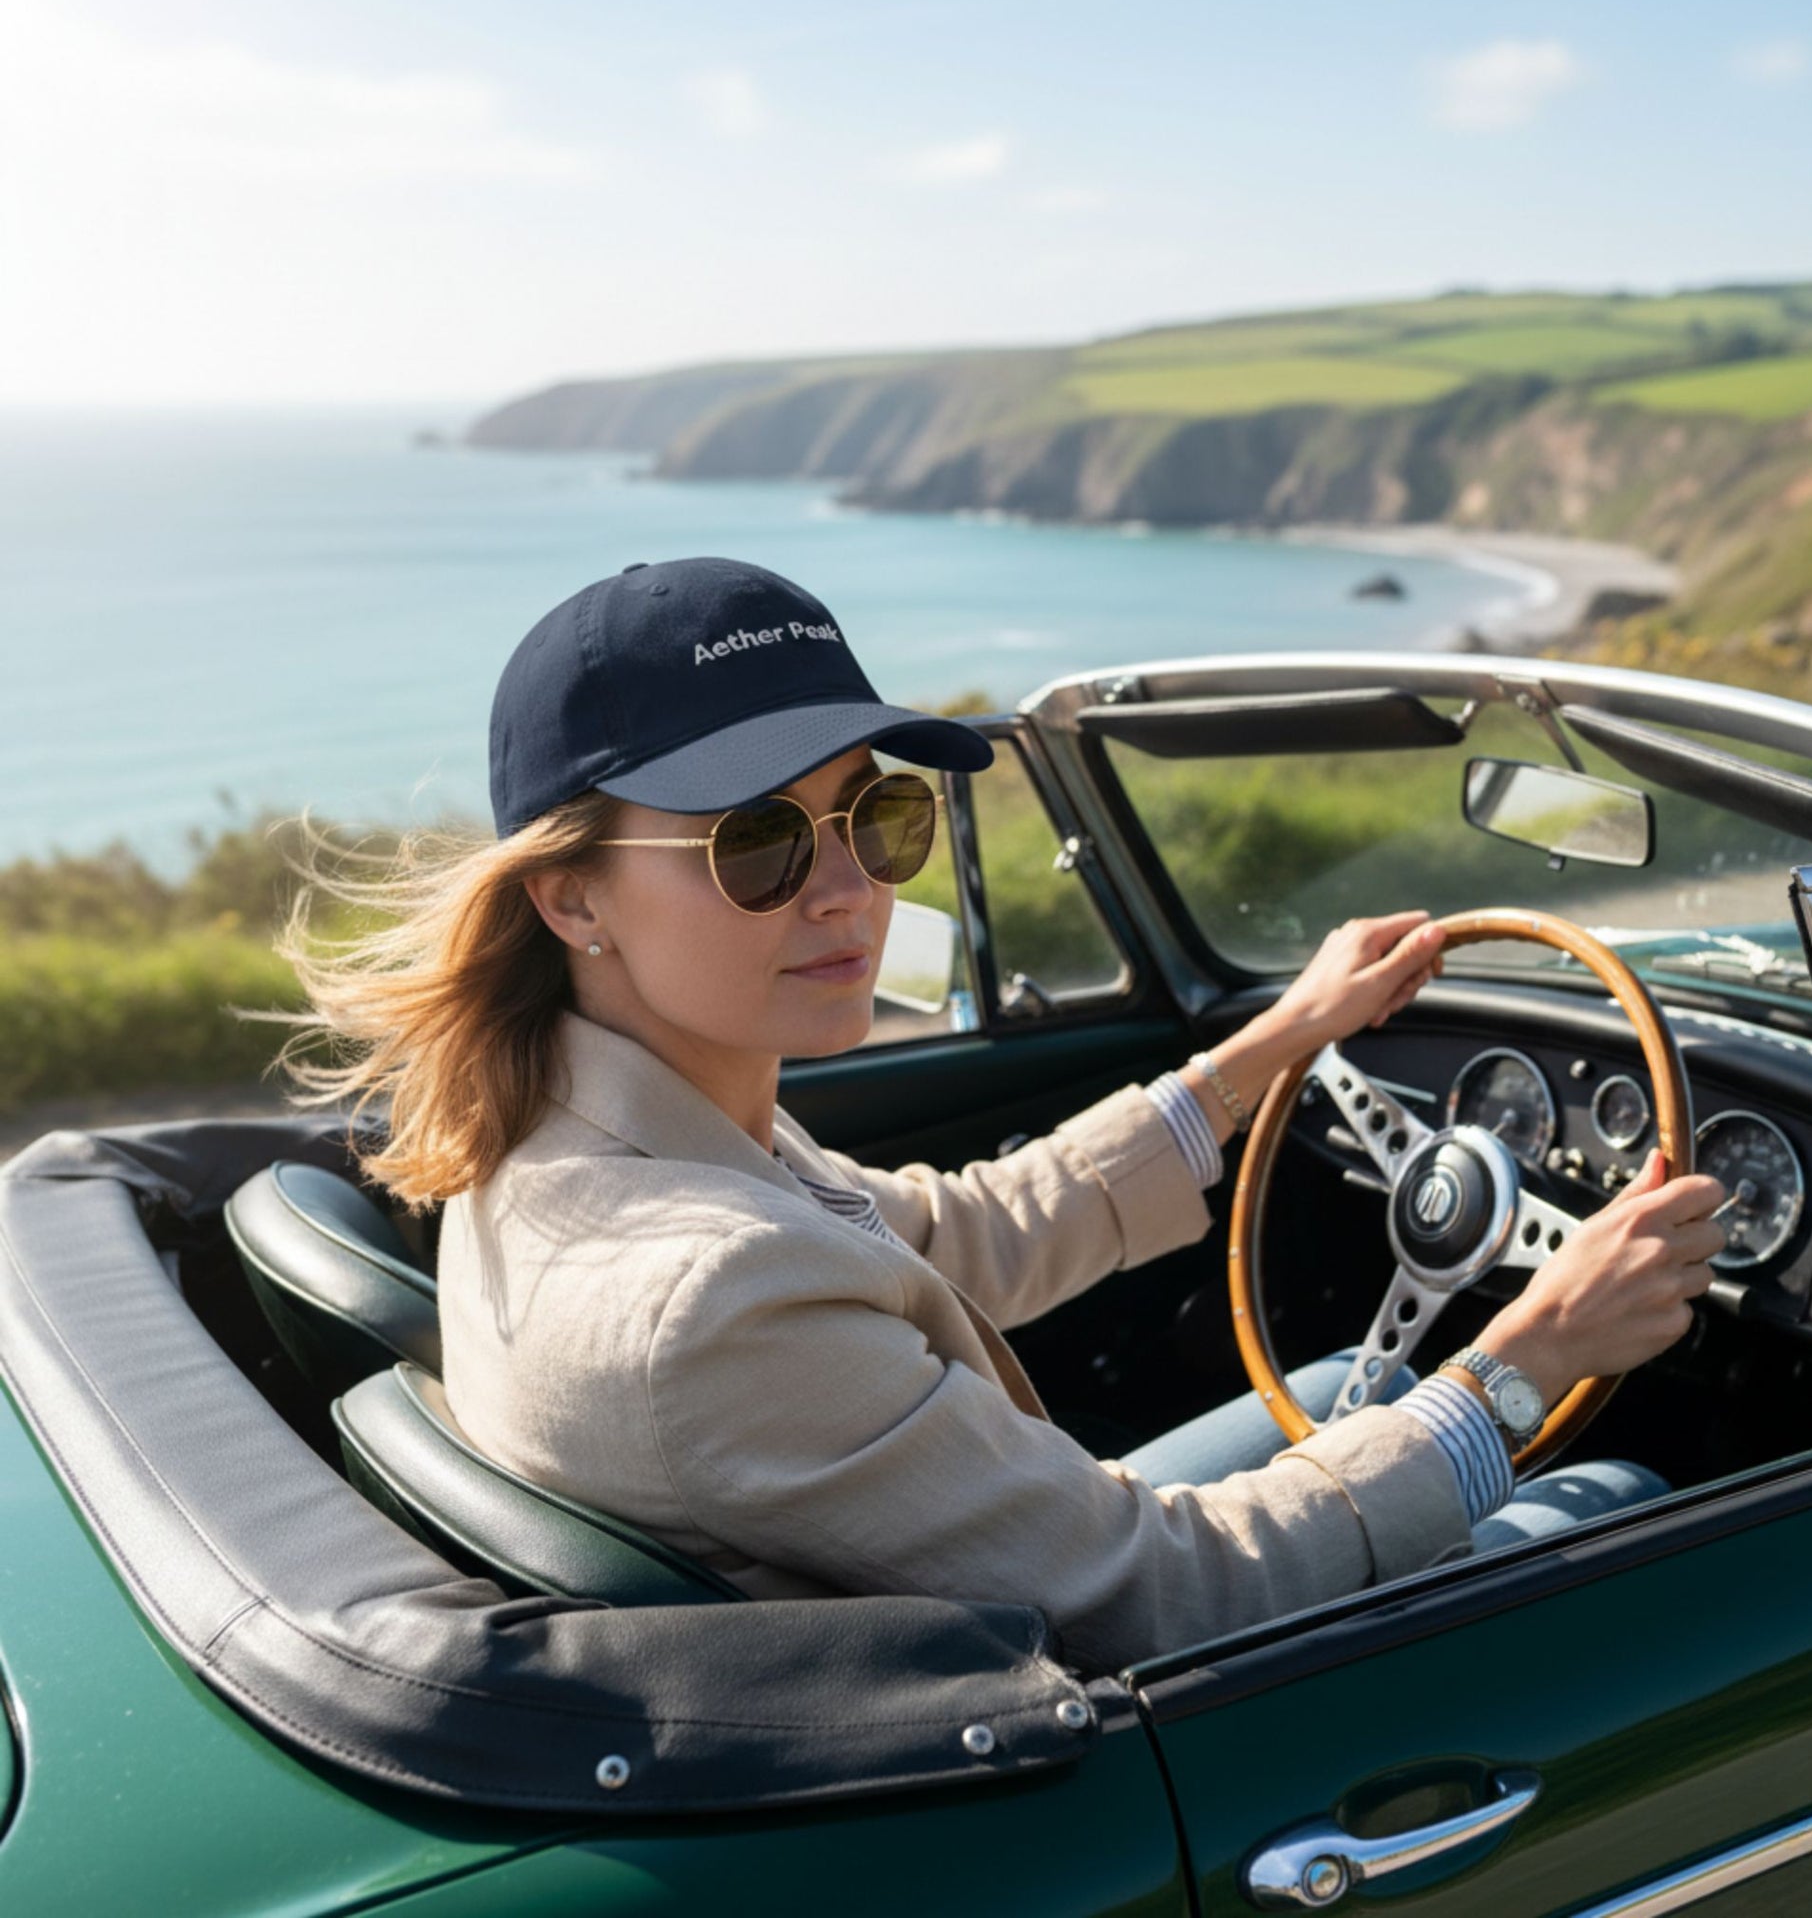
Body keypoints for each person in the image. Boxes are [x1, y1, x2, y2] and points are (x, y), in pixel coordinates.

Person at [267, 556, 1726, 1673]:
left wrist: (1275, 1038)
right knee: (1615, 1482)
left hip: (954, 1602)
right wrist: (1529, 1361)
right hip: (1081, 1707)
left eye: (874, 814)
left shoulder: (585, 1127)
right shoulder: (700, 1291)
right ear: (569, 890)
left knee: (1361, 1369)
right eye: (757, 841)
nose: (848, 891)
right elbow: (1182, 1596)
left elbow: (955, 1231)